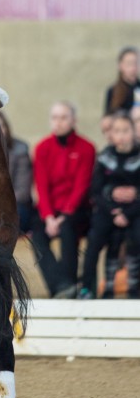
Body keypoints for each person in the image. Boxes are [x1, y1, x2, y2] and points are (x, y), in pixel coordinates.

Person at [30, 101, 96, 298]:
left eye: (63, 117)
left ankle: (68, 284)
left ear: (73, 120)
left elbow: (81, 186)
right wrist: (49, 217)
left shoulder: (87, 148)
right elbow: (41, 186)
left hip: (77, 210)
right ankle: (61, 286)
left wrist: (65, 214)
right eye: (54, 118)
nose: (58, 122)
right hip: (49, 210)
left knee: (68, 228)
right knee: (37, 236)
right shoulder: (42, 148)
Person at [80, 112, 140, 300]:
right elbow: (96, 191)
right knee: (95, 241)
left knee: (137, 238)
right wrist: (113, 208)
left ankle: (134, 287)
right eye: (117, 131)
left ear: (134, 131)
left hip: (135, 211)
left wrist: (128, 211)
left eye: (125, 130)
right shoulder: (105, 157)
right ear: (110, 134)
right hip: (108, 210)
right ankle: (87, 287)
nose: (121, 135)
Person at [0, 112, 33, 234]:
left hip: (16, 206)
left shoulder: (20, 150)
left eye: (1, 126)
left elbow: (23, 192)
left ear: (7, 128)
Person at [104, 46, 140, 115]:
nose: (133, 67)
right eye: (129, 63)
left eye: (136, 63)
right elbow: (108, 116)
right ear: (120, 65)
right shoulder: (113, 90)